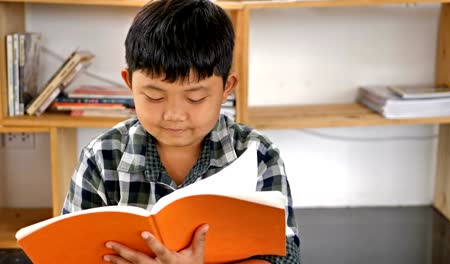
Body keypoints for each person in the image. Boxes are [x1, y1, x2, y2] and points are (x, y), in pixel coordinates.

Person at [62, 0, 301, 263]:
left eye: (195, 98)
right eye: (154, 96)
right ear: (129, 83)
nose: (173, 114)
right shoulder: (101, 158)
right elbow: (69, 252)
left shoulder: (259, 155)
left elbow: (283, 257)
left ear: (226, 88)